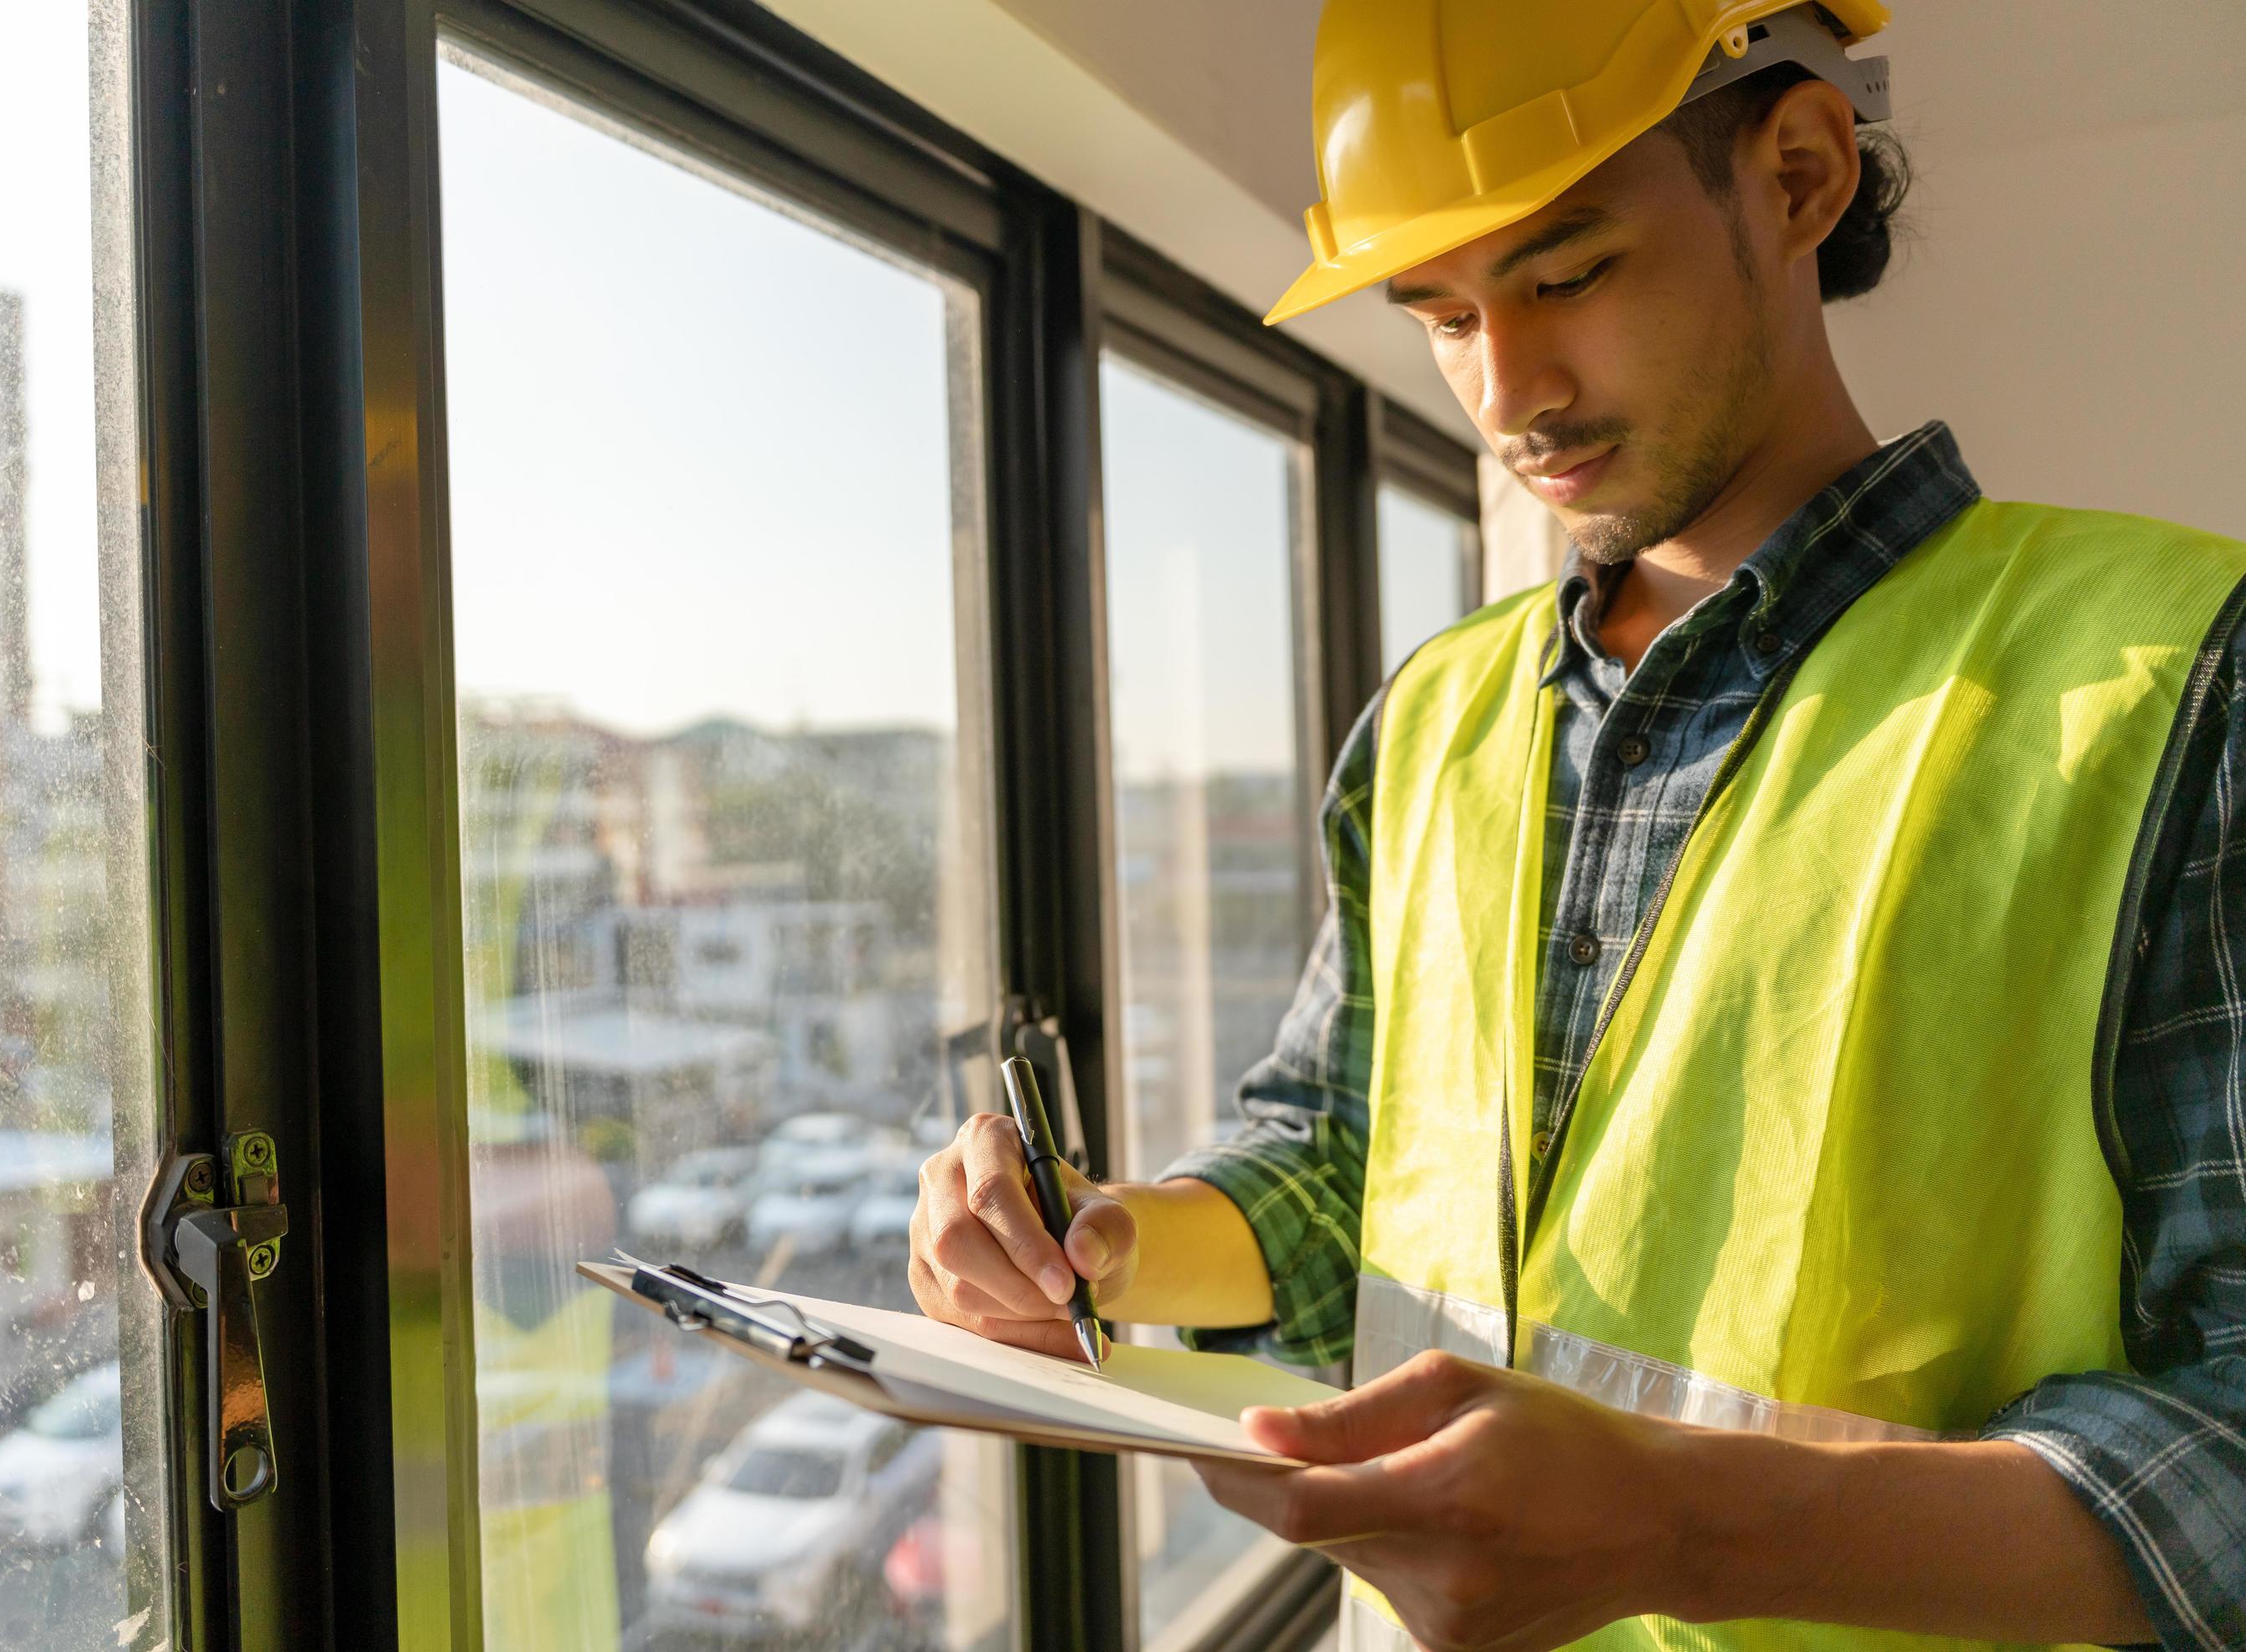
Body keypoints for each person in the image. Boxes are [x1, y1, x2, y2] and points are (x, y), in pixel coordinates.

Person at [907, 2, 2246, 1648]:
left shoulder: (2179, 679)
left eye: (1565, 274)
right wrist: (1103, 1248)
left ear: (1803, 172)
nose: (1506, 391)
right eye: (1440, 313)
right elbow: (1344, 1168)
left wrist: (1689, 1526)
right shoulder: (1433, 717)